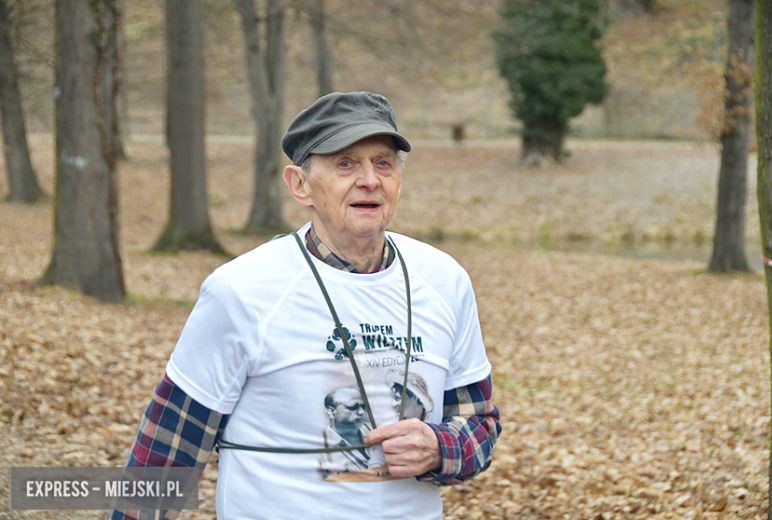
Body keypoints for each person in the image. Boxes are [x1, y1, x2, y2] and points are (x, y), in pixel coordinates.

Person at [107, 91, 500, 520]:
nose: (369, 180)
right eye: (345, 163)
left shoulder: (445, 280)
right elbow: (168, 450)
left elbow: (477, 421)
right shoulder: (242, 290)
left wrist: (440, 449)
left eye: (383, 163)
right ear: (300, 185)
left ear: (398, 181)